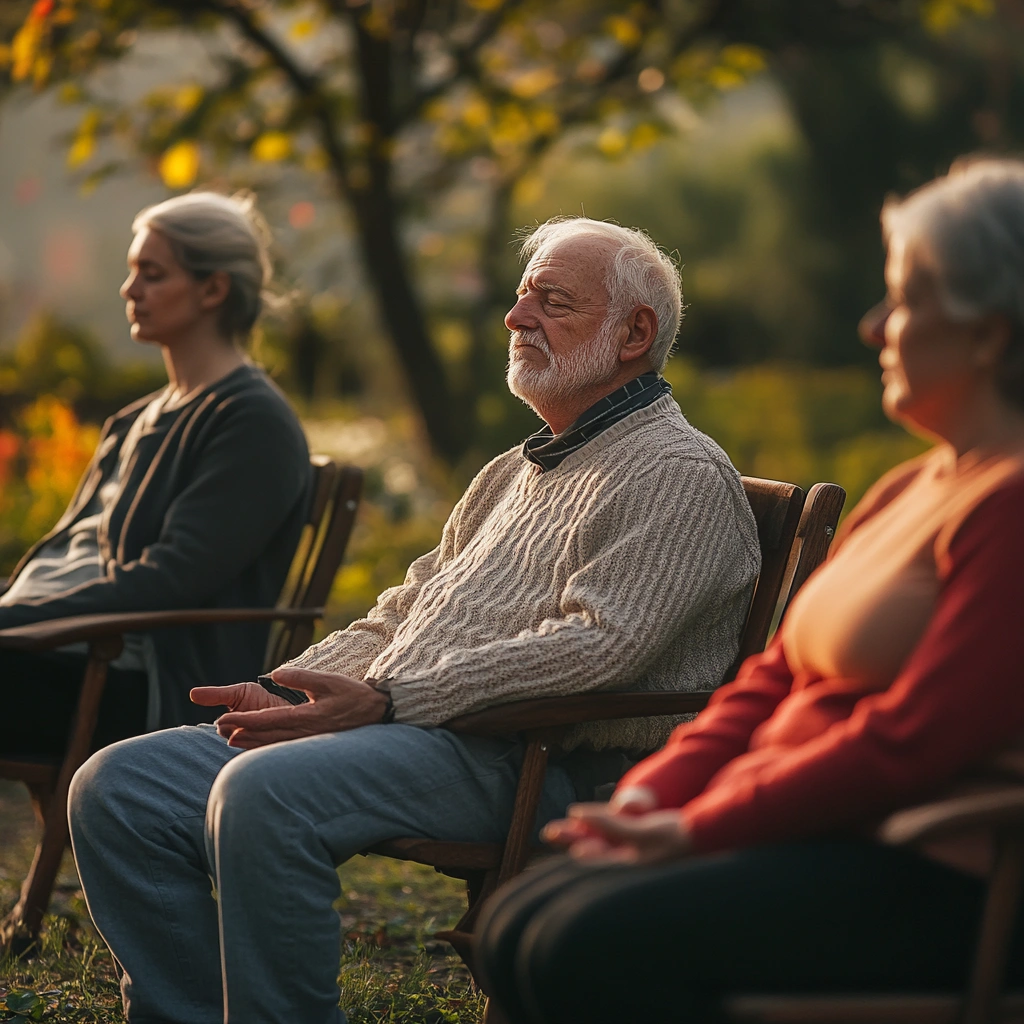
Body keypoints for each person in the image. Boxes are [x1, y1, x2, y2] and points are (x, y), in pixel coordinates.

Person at [67, 216, 761, 1024]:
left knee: (265, 792)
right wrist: (292, 691)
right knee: (117, 786)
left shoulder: (677, 473)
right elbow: (407, 607)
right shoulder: (517, 467)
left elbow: (601, 645)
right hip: (420, 734)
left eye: (551, 300)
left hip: (537, 760)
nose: (515, 317)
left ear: (635, 332)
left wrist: (392, 697)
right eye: (519, 295)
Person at [474, 158, 1024, 1024]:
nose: (875, 327)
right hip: (805, 833)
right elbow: (771, 678)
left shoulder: (1012, 505)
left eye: (904, 301)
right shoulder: (913, 487)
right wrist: (651, 799)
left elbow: (912, 741)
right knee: (518, 918)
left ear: (989, 332)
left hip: (926, 869)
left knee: (582, 942)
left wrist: (702, 828)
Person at [0, 190, 311, 752]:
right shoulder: (134, 418)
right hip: (56, 649)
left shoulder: (250, 420)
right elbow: (78, 557)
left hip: (125, 676)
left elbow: (171, 579)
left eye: (152, 273)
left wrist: (17, 619)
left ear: (213, 288)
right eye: (131, 271)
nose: (130, 289)